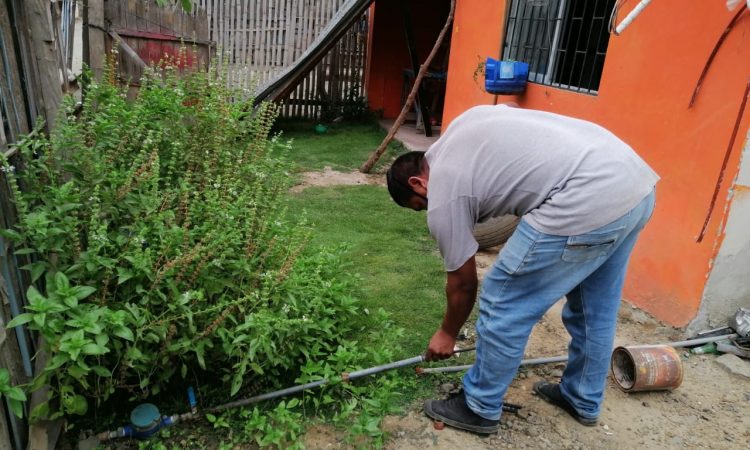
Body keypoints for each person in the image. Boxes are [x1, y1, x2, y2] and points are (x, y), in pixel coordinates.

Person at [386, 104, 658, 434]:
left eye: (421, 205)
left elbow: (463, 284)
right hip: (634, 183)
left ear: (418, 182)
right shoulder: (462, 128)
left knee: (504, 299)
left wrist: (447, 333)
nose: (429, 211)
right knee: (594, 307)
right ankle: (582, 398)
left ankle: (479, 406)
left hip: (584, 194)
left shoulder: (443, 191)